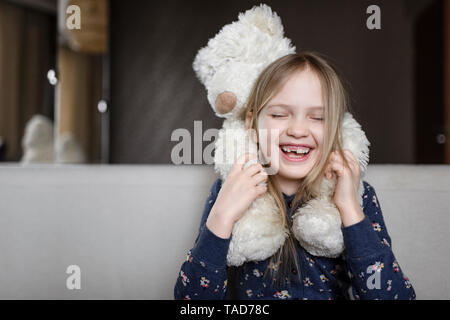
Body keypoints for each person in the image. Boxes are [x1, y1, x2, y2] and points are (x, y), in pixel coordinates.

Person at [174, 52, 416, 300]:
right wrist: (221, 216)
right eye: (279, 114)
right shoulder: (228, 191)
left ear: (335, 129)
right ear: (252, 125)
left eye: (318, 117)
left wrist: (350, 209)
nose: (298, 130)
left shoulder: (356, 196)